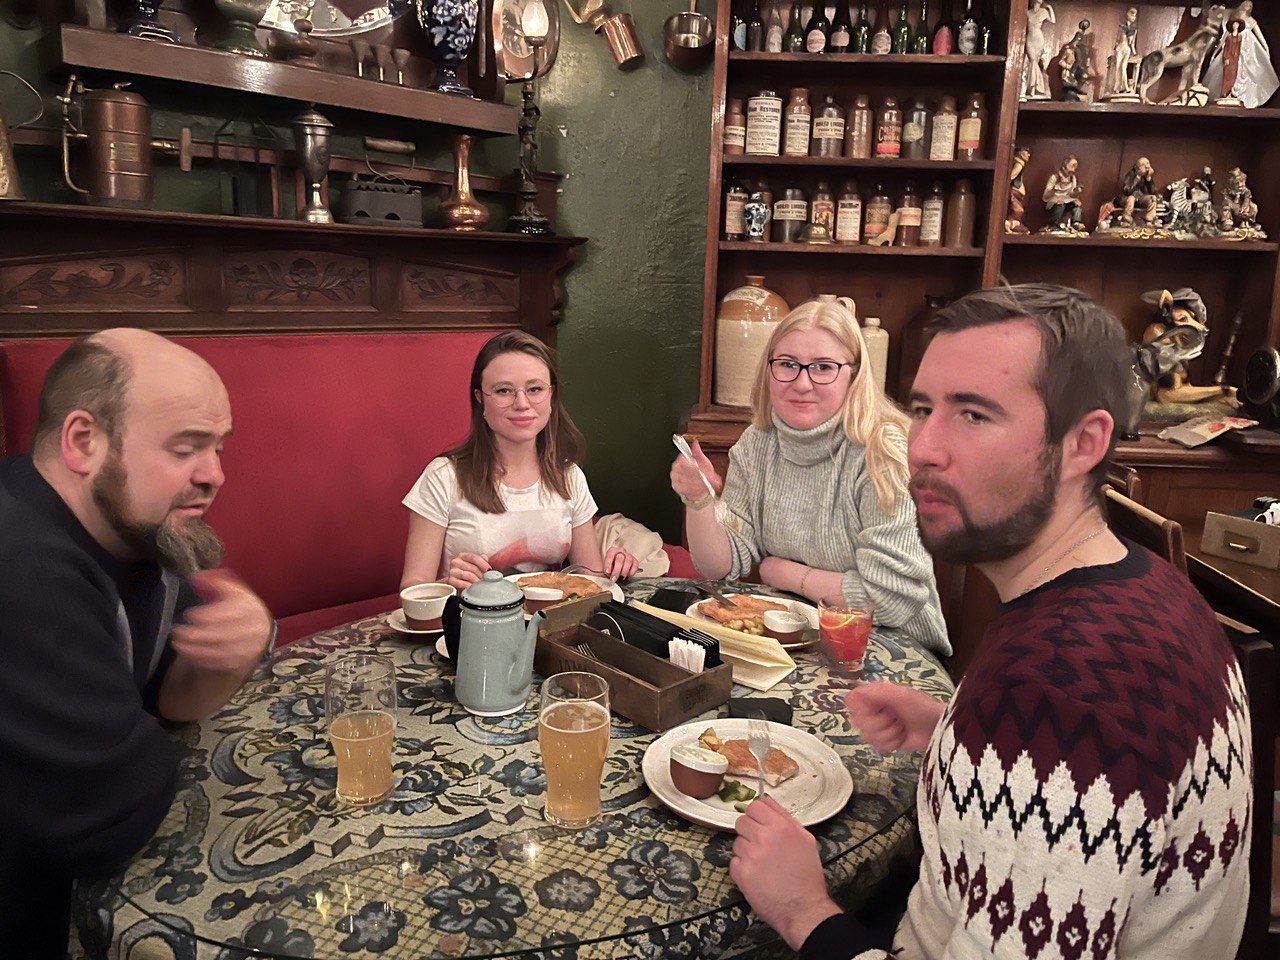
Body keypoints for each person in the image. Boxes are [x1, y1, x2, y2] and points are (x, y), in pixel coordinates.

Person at [728, 285, 1252, 959]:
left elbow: (1061, 743)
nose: (922, 448)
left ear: (1083, 442)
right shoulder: (1147, 581)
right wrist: (949, 732)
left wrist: (803, 910)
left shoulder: (1054, 701)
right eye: (923, 409)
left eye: (974, 415)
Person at [0, 329, 275, 957]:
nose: (215, 475)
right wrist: (142, 738)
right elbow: (105, 818)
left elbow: (172, 697)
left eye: (217, 447)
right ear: (82, 441)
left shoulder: (133, 527)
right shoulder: (22, 566)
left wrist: (238, 645)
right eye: (185, 448)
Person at [669, 298, 949, 657]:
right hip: (801, 638)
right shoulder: (756, 443)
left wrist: (786, 574)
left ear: (853, 375)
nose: (802, 383)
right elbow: (719, 568)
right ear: (768, 370)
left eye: (823, 367)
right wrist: (699, 500)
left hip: (892, 644)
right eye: (788, 364)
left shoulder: (883, 452)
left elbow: (891, 599)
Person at [401, 330, 636, 591]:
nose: (522, 403)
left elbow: (590, 580)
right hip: (471, 612)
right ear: (480, 399)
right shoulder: (443, 476)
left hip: (549, 615)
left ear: (551, 395)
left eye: (535, 389)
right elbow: (412, 589)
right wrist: (448, 584)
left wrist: (615, 567)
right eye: (504, 391)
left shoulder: (569, 476)